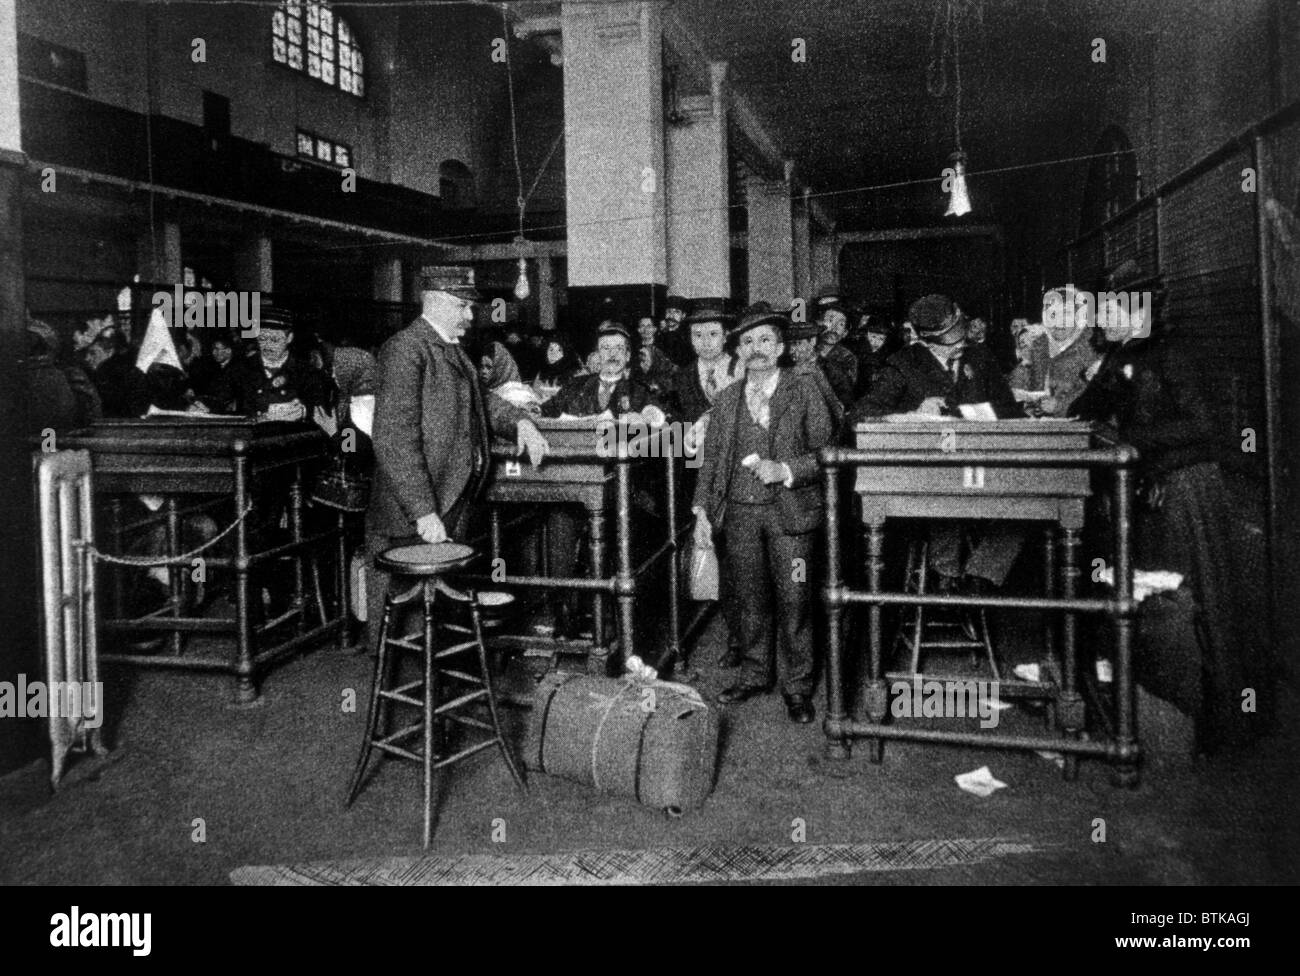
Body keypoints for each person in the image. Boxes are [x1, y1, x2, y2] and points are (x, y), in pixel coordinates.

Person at [1068, 267, 1270, 752]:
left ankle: (1217, 724)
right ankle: (1165, 711)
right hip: (1152, 487)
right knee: (1157, 600)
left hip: (1184, 489)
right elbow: (1088, 406)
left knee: (1193, 598)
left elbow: (1201, 427)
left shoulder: (1172, 354)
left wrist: (1129, 441)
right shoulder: (1124, 356)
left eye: (1110, 312)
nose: (1102, 321)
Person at [365, 266, 550, 645]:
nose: (471, 316)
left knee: (434, 622)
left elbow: (483, 402)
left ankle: (432, 688)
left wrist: (521, 424)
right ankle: (413, 696)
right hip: (413, 513)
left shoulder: (452, 351)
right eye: (463, 306)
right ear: (436, 302)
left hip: (448, 499)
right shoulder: (405, 349)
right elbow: (394, 438)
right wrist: (423, 512)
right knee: (407, 631)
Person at [691, 304, 836, 723]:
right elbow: (713, 458)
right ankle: (756, 673)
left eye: (766, 340)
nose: (757, 349)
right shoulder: (727, 398)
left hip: (793, 518)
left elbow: (827, 453)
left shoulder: (804, 387)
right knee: (749, 599)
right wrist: (702, 510)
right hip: (740, 516)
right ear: (738, 349)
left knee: (795, 597)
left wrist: (787, 469)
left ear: (781, 346)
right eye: (749, 341)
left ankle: (798, 687)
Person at [848, 293, 1025, 592]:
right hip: (930, 475)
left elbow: (1010, 409)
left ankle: (979, 574)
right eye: (949, 341)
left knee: (1026, 505)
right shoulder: (904, 364)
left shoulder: (981, 358)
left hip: (982, 467)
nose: (959, 344)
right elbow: (860, 415)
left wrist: (965, 413)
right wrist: (911, 415)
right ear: (927, 342)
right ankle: (946, 580)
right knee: (947, 505)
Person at [540, 322, 666, 639]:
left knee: (619, 535)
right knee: (559, 526)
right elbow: (544, 412)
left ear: (628, 356)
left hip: (625, 492)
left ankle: (614, 623)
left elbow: (663, 418)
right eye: (605, 348)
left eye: (619, 350)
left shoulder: (643, 389)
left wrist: (649, 417)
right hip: (576, 486)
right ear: (596, 354)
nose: (612, 355)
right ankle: (565, 617)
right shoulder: (574, 387)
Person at [217, 306, 332, 419]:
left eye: (275, 340)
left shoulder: (306, 371)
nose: (268, 345)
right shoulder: (240, 369)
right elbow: (219, 399)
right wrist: (206, 405)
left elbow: (323, 407)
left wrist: (303, 411)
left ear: (289, 338)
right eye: (262, 339)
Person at [810, 287, 859, 408]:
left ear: (845, 333)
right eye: (830, 320)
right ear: (819, 323)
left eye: (841, 324)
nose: (834, 328)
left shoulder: (847, 357)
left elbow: (845, 389)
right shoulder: (809, 349)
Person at [656, 294, 693, 367]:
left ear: (683, 316)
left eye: (676, 312)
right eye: (669, 311)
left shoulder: (688, 338)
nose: (671, 316)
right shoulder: (659, 336)